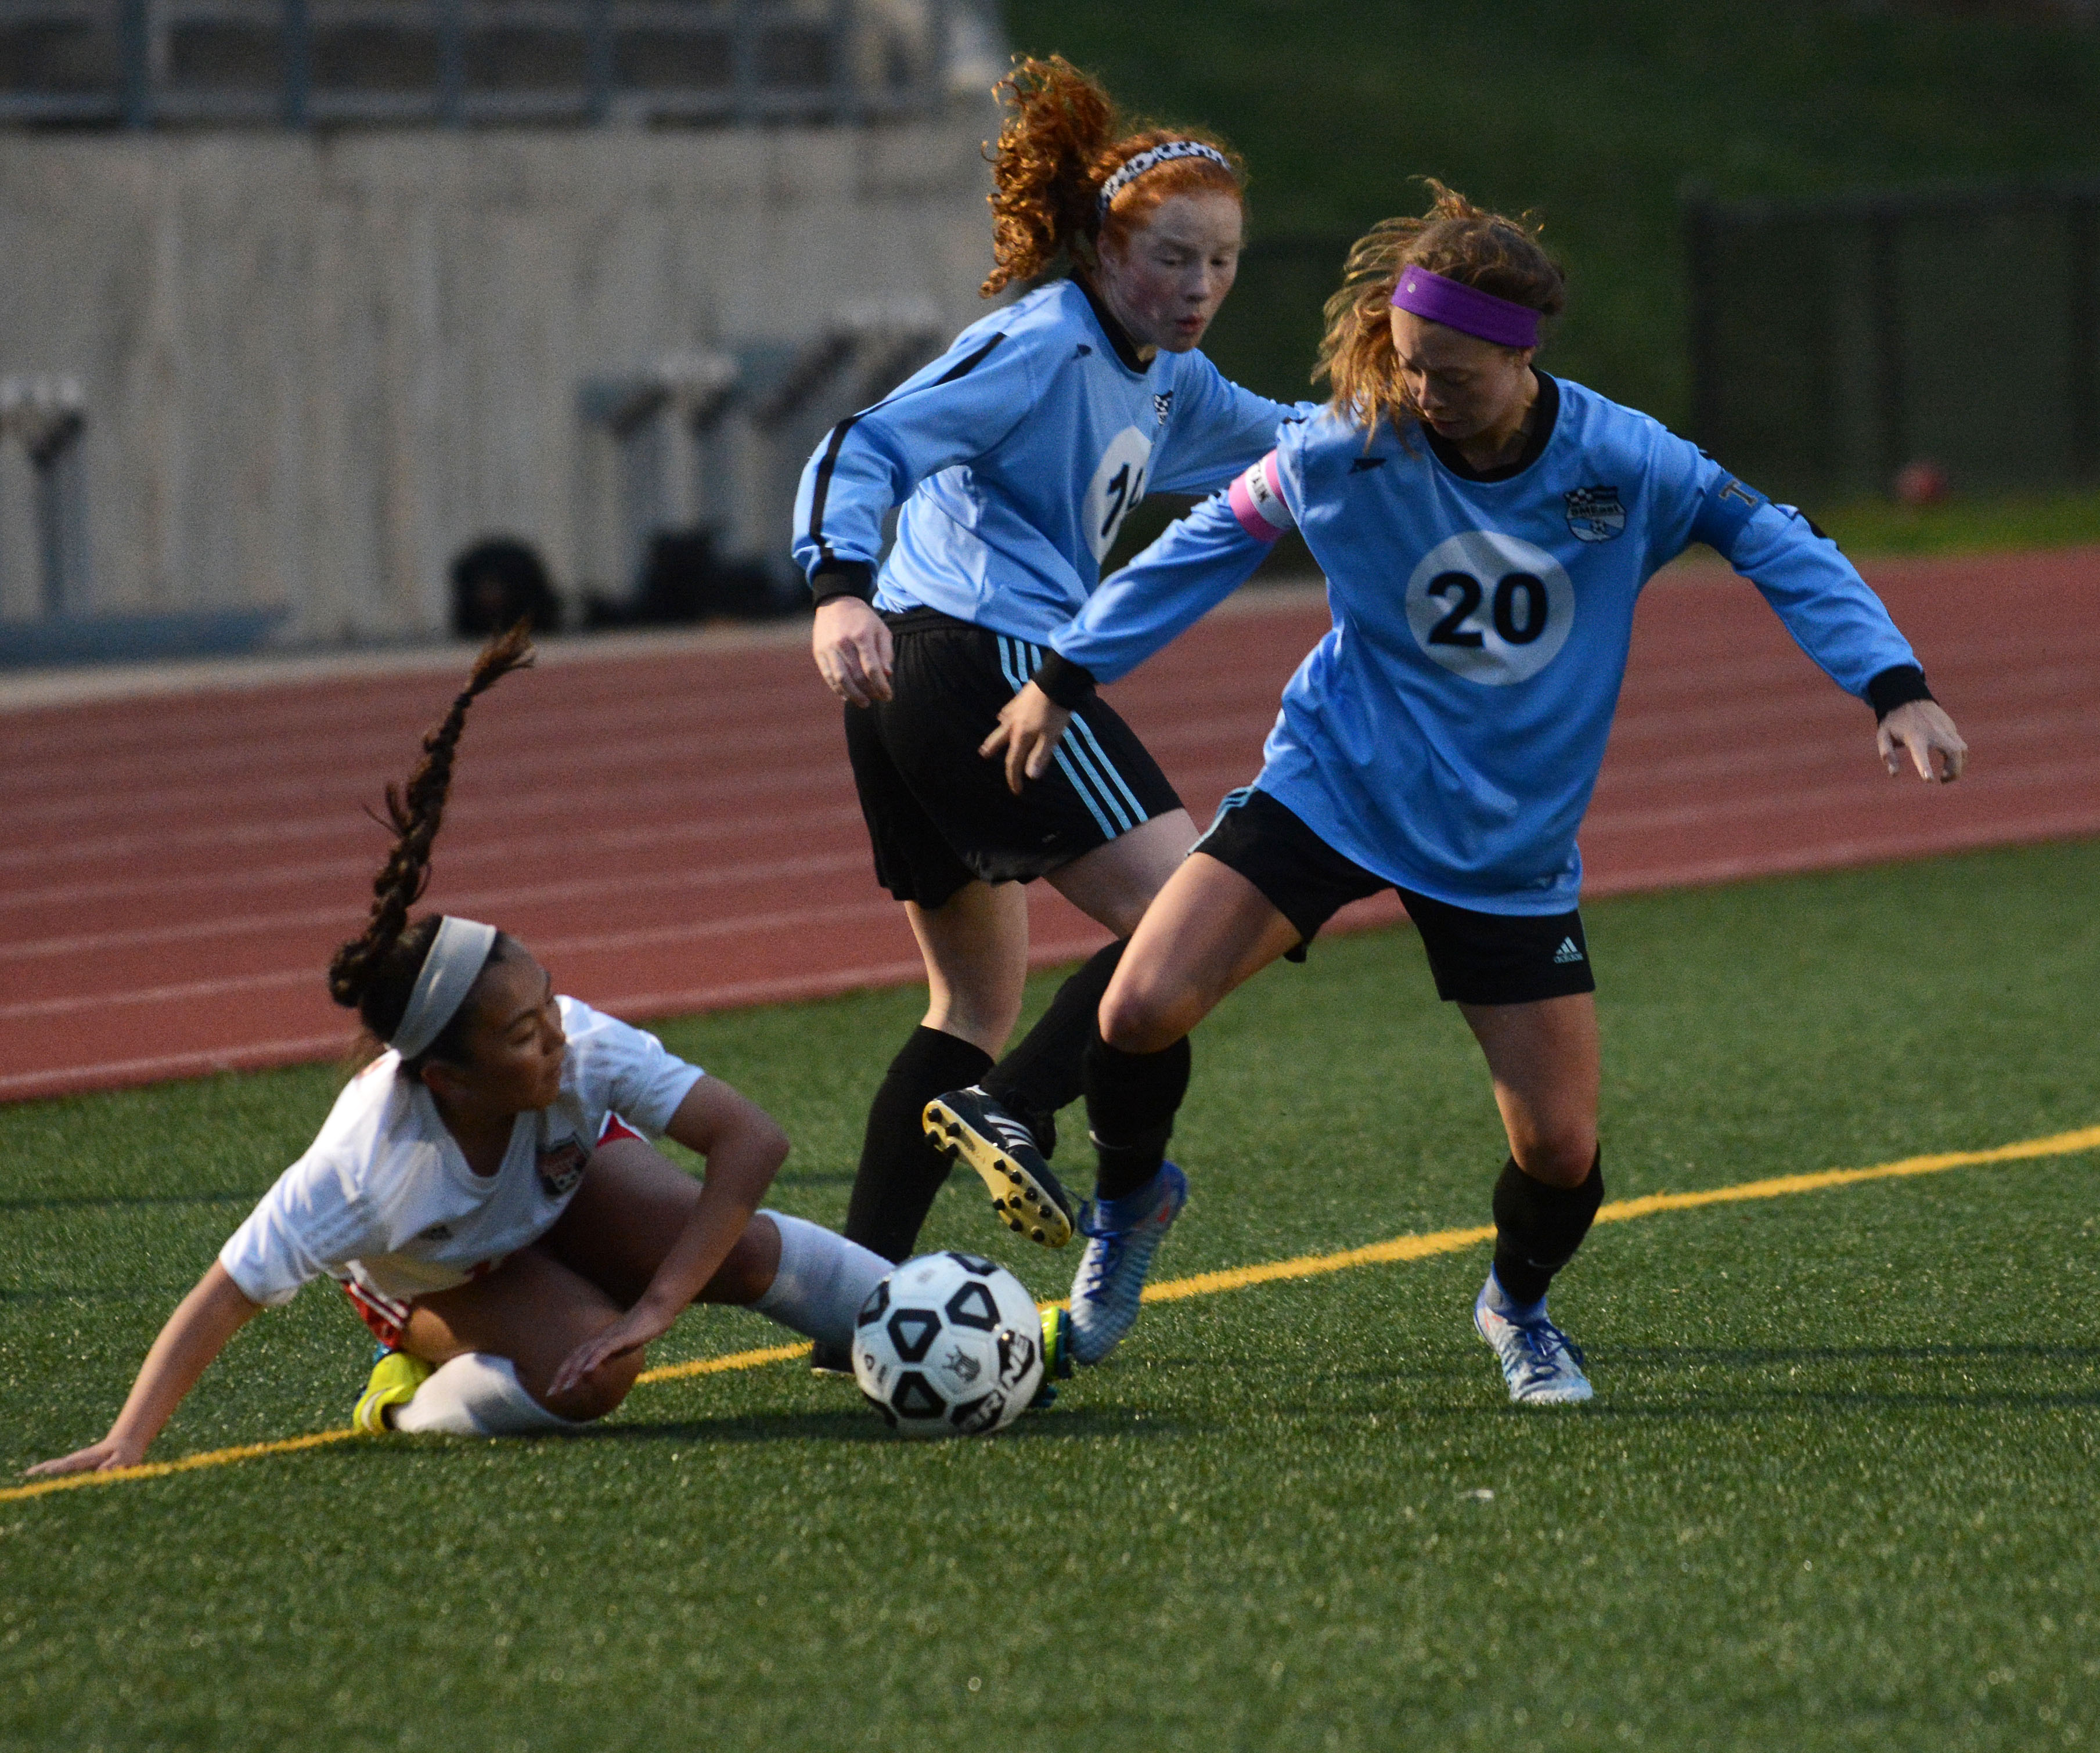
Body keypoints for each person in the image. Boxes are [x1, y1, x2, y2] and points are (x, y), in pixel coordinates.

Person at [948, 182, 1969, 1392]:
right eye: (1409, 361)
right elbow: (1207, 541)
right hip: (1337, 781)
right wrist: (1065, 674)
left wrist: (1890, 681)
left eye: (1451, 372)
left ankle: (1517, 1306)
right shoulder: (1350, 442)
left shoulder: (1627, 461)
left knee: (1559, 1149)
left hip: (1504, 837)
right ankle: (1129, 1217)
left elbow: (1779, 541)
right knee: (1136, 1011)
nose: (1423, 390)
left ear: (1520, 358)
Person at [26, 626, 897, 1477]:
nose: (555, 1034)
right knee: (597, 1376)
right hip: (439, 1277)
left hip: (560, 1185)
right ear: (445, 1077)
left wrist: (660, 1305)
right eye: (522, 1034)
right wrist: (128, 1441)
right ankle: (402, 1400)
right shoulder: (368, 1167)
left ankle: (946, 1320)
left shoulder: (577, 1044)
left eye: (547, 1000)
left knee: (738, 1255)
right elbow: (227, 1293)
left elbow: (752, 1142)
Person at [790, 55, 1305, 1369]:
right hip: (974, 660)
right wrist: (837, 588)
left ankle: (843, 1307)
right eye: (1171, 260)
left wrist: (1430, 410)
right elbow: (868, 439)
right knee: (1195, 911)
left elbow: (1293, 438)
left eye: (1224, 264)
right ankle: (1016, 1112)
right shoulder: (1043, 340)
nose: (1198, 290)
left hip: (918, 688)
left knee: (966, 998)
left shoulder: (1164, 374)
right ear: (1098, 244)